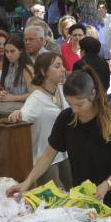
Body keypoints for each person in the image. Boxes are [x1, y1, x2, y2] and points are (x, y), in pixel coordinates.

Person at [6, 67, 111, 209]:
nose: (74, 110)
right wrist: (27, 181)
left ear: (92, 94)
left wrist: (108, 183)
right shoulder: (66, 118)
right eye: (70, 104)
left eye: (79, 104)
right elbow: (48, 154)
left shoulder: (109, 118)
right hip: (82, 197)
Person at [8, 52, 72, 189]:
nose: (63, 69)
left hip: (63, 154)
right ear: (44, 71)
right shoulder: (36, 98)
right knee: (55, 198)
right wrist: (17, 113)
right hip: (44, 157)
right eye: (57, 66)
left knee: (73, 191)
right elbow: (23, 115)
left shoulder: (61, 89)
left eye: (62, 65)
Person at [0, 34, 34, 102]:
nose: (9, 55)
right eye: (6, 51)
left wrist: (13, 98)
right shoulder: (9, 66)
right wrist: (3, 94)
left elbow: (34, 94)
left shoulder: (26, 68)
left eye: (12, 51)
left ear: (21, 50)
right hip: (8, 107)